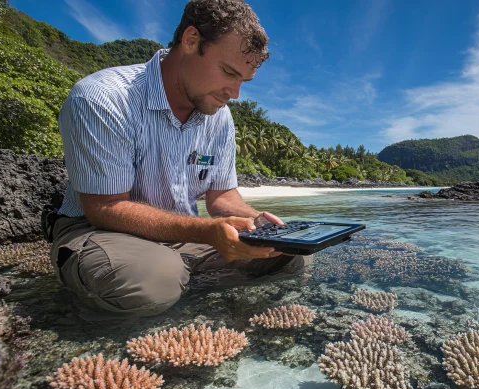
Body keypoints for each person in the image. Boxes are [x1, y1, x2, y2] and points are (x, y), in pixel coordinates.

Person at [46, 0, 310, 320]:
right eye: (228, 72)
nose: (235, 93)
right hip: (99, 230)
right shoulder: (103, 98)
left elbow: (222, 196)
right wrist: (206, 233)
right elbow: (104, 208)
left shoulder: (219, 116)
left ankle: (183, 286)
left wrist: (252, 223)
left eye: (244, 80)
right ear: (191, 40)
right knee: (152, 283)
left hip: (181, 237)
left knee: (289, 256)